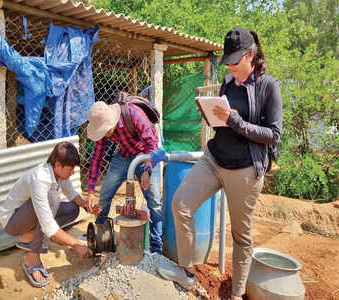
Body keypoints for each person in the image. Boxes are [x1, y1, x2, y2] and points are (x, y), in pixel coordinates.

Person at [156, 28, 282, 300]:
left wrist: (234, 119)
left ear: (251, 55)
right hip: (214, 158)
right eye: (229, 61)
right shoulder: (227, 83)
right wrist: (210, 112)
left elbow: (273, 135)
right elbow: (223, 122)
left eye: (236, 61)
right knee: (181, 204)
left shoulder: (268, 86)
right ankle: (187, 272)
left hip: (246, 168)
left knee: (241, 235)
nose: (231, 66)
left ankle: (236, 294)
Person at [0, 141, 101, 288]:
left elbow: (71, 193)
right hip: (12, 221)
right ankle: (31, 259)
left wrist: (86, 205)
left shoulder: (58, 173)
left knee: (73, 209)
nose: (73, 172)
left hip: (27, 216)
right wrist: (76, 245)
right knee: (52, 198)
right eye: (71, 169)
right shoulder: (40, 178)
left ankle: (29, 237)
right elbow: (48, 225)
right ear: (58, 165)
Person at [85, 100, 163, 254]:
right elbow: (96, 157)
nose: (103, 134)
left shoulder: (134, 115)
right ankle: (101, 235)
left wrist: (147, 170)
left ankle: (157, 246)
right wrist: (91, 191)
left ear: (111, 121)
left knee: (154, 200)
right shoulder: (104, 129)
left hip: (146, 154)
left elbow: (152, 145)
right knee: (105, 193)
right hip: (124, 154)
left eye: (104, 130)